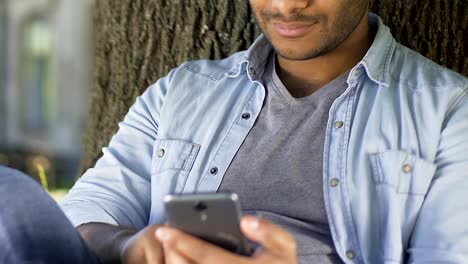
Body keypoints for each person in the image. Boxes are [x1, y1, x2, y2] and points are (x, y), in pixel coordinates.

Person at [3, 0, 466, 263]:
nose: (287, 5)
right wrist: (132, 247)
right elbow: (80, 219)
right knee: (11, 198)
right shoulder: (185, 90)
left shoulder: (446, 108)